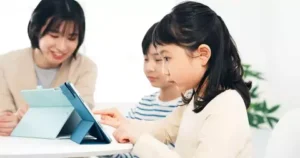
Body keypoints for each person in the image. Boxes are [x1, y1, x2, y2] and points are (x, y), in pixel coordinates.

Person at [94, 1, 253, 158]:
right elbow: (163, 130)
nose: (164, 70)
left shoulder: (227, 105)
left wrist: (140, 141)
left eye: (167, 58)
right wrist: (123, 123)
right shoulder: (196, 99)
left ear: (203, 55)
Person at [0, 0, 97, 136]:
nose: (62, 47)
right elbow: (3, 115)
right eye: (54, 35)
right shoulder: (5, 64)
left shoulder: (85, 67)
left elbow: (83, 117)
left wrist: (29, 120)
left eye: (71, 38)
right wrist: (11, 120)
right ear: (36, 29)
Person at [108, 22, 191, 158]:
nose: (149, 68)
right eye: (146, 59)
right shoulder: (144, 104)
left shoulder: (187, 106)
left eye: (159, 59)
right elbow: (123, 151)